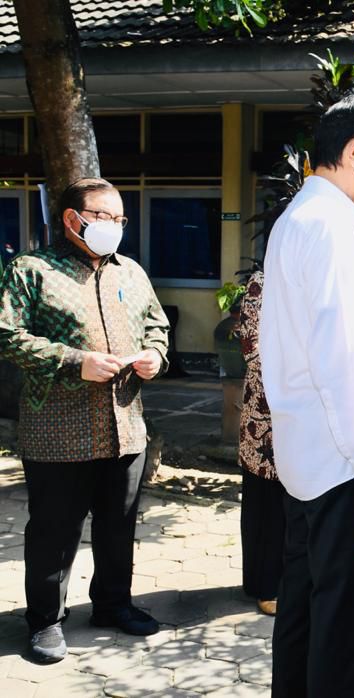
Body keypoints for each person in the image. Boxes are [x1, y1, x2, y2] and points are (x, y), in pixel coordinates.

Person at [260, 95, 354, 697]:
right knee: (343, 629)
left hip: (303, 460)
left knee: (302, 610)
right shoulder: (330, 231)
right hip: (342, 466)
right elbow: (345, 368)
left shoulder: (296, 220)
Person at [0, 178, 169, 663]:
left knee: (118, 525)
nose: (114, 226)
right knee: (55, 531)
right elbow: (7, 334)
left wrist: (155, 355)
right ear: (73, 219)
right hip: (58, 429)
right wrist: (75, 361)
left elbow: (157, 324)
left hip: (125, 425)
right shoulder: (31, 270)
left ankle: (113, 605)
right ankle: (45, 621)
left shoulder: (130, 271)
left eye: (120, 219)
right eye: (103, 217)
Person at [235, 270, 284, 616]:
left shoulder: (313, 279)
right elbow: (253, 351)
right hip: (265, 415)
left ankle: (279, 580)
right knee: (265, 502)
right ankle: (266, 585)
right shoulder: (262, 283)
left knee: (287, 503)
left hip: (303, 414)